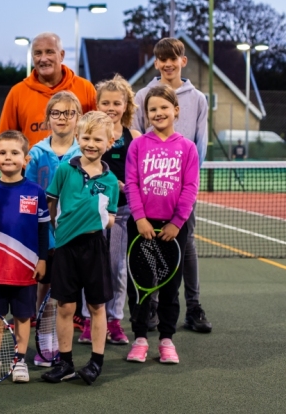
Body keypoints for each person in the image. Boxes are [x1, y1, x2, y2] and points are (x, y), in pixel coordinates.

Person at [131, 37, 212, 333]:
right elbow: (137, 136)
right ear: (155, 63)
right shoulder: (142, 95)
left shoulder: (198, 99)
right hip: (150, 188)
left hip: (181, 192)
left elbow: (199, 144)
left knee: (186, 244)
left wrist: (187, 181)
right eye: (161, 58)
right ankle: (150, 308)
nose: (167, 63)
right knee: (148, 246)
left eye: (172, 58)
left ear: (182, 61)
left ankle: (194, 308)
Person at [41, 111, 119, 386]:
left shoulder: (111, 181)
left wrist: (103, 218)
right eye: (86, 137)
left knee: (97, 305)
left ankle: (96, 363)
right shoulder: (64, 170)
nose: (91, 143)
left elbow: (109, 218)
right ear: (78, 137)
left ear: (109, 142)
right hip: (65, 247)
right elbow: (51, 205)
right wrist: (56, 236)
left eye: (98, 139)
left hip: (94, 247)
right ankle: (65, 363)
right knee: (65, 306)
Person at [124, 85, 199, 364]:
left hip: (173, 230)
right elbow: (131, 183)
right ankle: (140, 337)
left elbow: (190, 187)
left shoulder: (187, 147)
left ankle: (166, 339)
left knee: (170, 285)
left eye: (164, 108)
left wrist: (177, 223)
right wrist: (140, 218)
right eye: (152, 109)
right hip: (141, 226)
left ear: (176, 111)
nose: (158, 113)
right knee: (140, 285)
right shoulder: (138, 145)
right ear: (146, 115)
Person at [0, 130, 49, 382]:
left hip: (25, 269)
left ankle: (19, 361)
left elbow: (43, 229)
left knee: (23, 316)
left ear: (25, 159)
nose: (8, 157)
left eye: (15, 153)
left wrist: (42, 259)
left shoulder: (36, 192)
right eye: (2, 152)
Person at [77, 75, 141, 346]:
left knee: (116, 267)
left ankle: (114, 320)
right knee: (89, 266)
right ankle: (89, 319)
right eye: (105, 102)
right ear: (97, 104)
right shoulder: (90, 137)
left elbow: (138, 177)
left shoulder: (134, 137)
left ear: (126, 106)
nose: (111, 107)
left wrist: (124, 187)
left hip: (122, 214)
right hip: (89, 213)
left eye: (117, 102)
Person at [25, 91, 83, 367]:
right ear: (48, 117)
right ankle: (44, 342)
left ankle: (62, 347)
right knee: (43, 288)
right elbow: (27, 193)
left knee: (66, 295)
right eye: (57, 113)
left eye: (69, 113)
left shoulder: (83, 153)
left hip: (72, 235)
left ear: (77, 118)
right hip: (43, 235)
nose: (62, 118)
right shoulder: (36, 153)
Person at [0, 32, 96, 149]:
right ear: (33, 58)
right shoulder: (17, 92)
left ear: (62, 55)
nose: (43, 59)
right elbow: (4, 139)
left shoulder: (85, 88)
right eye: (38, 53)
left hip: (74, 166)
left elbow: (99, 132)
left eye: (49, 52)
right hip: (31, 167)